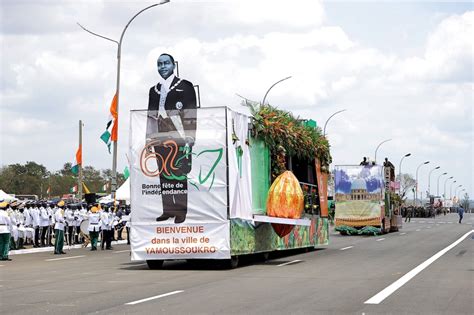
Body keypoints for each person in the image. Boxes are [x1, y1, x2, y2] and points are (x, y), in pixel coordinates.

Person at [146, 53, 197, 224]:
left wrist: (190, 136)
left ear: (173, 65)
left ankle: (181, 211)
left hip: (179, 133)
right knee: (164, 174)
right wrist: (149, 138)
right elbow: (150, 115)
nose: (163, 67)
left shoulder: (185, 86)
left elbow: (191, 112)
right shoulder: (154, 90)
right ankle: (168, 209)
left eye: (166, 63)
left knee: (179, 172)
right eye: (159, 64)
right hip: (160, 135)